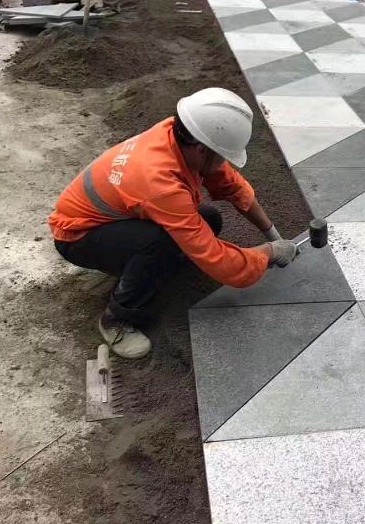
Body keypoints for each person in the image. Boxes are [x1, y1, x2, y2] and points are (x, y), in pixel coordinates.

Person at [49, 87, 298, 358]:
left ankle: (151, 267)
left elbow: (232, 187)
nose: (224, 163)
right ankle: (116, 319)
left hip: (113, 219)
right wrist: (269, 253)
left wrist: (272, 233)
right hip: (78, 236)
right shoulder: (159, 182)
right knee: (157, 242)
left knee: (209, 220)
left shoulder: (184, 135)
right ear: (202, 150)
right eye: (223, 156)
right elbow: (221, 263)